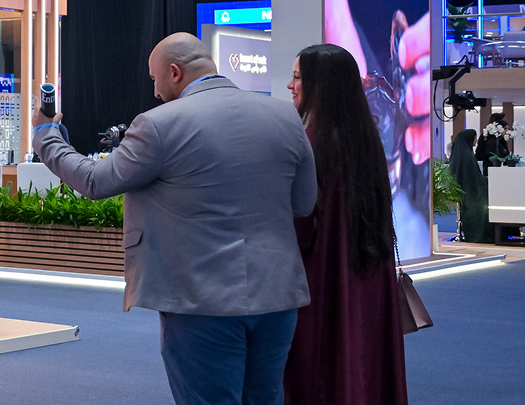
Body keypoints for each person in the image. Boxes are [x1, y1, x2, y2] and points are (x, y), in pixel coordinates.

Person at [33, 32, 316, 405]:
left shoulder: (158, 124)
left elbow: (95, 180)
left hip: (201, 299)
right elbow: (303, 203)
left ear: (174, 72)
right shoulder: (285, 115)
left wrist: (46, 135)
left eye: (155, 79)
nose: (155, 91)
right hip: (277, 295)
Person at [282, 44, 407, 405]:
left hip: (320, 280)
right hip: (367, 276)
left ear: (319, 85)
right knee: (367, 360)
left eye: (297, 77)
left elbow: (300, 224)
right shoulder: (366, 142)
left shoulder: (311, 144)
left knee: (320, 365)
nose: (290, 85)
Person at [449, 129, 491, 243]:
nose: (476, 140)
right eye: (475, 138)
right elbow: (474, 179)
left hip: (462, 190)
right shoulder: (467, 156)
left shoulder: (459, 154)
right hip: (470, 192)